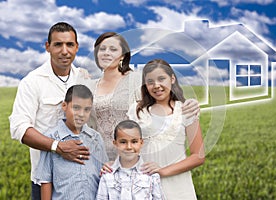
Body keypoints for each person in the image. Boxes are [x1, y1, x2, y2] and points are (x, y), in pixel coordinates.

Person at [9, 22, 90, 200]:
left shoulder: (83, 78)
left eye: (69, 44)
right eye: (58, 44)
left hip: (81, 178)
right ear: (48, 47)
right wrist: (58, 147)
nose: (64, 51)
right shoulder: (32, 82)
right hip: (46, 180)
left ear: (76, 47)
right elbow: (19, 128)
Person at [92, 32, 200, 161]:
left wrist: (190, 103)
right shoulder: (89, 85)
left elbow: (163, 96)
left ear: (123, 56)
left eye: (113, 49)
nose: (106, 53)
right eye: (102, 49)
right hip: (98, 158)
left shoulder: (137, 79)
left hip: (133, 159)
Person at [127, 59, 205, 199]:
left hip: (178, 187)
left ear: (172, 79)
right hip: (144, 185)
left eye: (161, 79)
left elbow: (198, 156)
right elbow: (126, 147)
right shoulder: (137, 110)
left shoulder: (186, 110)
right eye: (150, 81)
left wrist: (162, 171)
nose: (156, 85)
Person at [35, 85, 108, 200]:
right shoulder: (51, 138)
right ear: (64, 106)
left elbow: (104, 175)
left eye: (87, 109)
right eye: (76, 108)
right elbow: (46, 180)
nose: (81, 114)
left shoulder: (95, 138)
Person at [96, 119, 165, 200]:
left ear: (141, 143)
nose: (129, 147)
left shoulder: (151, 175)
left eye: (134, 141)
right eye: (123, 142)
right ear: (115, 143)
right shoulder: (107, 175)